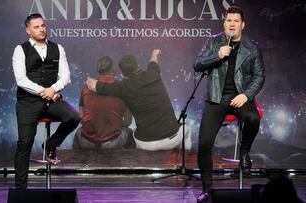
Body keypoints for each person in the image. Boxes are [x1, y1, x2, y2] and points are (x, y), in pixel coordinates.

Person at [194, 6, 265, 201]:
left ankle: (244, 152)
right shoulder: (213, 42)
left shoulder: (252, 47)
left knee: (252, 118)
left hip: (239, 97)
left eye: (236, 21)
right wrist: (216, 55)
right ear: (223, 23)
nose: (232, 24)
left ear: (242, 24)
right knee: (204, 144)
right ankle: (207, 189)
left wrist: (246, 94)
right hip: (216, 98)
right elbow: (197, 64)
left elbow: (259, 76)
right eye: (228, 21)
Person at [12, 13, 80, 189]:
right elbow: (21, 80)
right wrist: (45, 92)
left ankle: (50, 144)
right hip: (28, 101)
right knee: (24, 142)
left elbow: (66, 76)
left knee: (73, 117)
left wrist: (54, 89)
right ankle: (21, 190)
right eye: (36, 27)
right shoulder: (20, 49)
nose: (41, 29)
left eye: (43, 25)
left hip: (52, 98)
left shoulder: (58, 48)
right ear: (28, 30)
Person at [86, 49, 191, 151]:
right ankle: (185, 160)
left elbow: (93, 86)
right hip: (172, 139)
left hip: (146, 144)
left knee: (134, 132)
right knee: (186, 130)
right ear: (139, 66)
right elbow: (153, 61)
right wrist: (155, 53)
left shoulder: (122, 87)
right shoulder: (153, 74)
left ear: (124, 74)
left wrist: (88, 80)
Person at [73, 56, 134, 149]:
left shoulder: (86, 87)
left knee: (78, 132)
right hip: (112, 142)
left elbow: (81, 118)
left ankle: (77, 161)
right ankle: (129, 162)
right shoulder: (122, 88)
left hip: (87, 142)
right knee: (129, 132)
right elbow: (128, 121)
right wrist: (114, 124)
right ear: (113, 68)